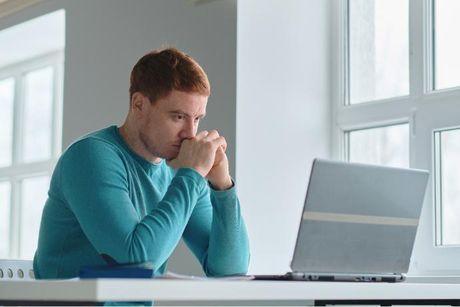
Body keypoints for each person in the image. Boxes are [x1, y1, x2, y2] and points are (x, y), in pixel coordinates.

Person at [33, 47, 250, 279]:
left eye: (197, 119)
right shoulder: (89, 156)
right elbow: (135, 260)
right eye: (178, 117)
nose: (190, 133)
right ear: (139, 105)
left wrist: (223, 186)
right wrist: (192, 175)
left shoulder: (179, 172)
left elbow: (230, 271)